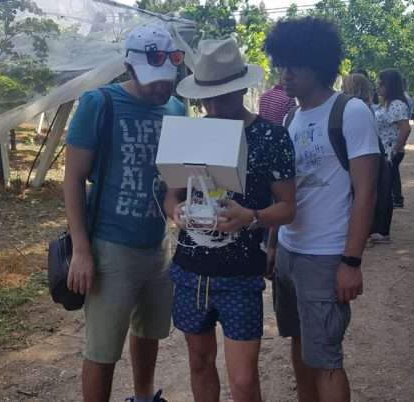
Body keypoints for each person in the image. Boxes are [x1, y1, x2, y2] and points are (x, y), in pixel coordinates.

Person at [164, 38, 297, 402]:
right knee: (199, 363)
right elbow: (171, 194)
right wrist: (175, 211)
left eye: (222, 97)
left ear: (240, 88)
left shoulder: (271, 137)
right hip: (191, 271)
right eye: (206, 99)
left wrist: (251, 217)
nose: (213, 107)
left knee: (243, 379)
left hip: (241, 275)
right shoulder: (191, 133)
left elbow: (288, 207)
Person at [63, 25, 185, 402]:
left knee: (149, 331)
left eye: (167, 77)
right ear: (130, 68)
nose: (162, 86)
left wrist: (182, 208)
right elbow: (73, 179)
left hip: (157, 245)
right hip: (109, 247)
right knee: (103, 349)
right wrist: (81, 250)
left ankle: (144, 397)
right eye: (153, 78)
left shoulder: (177, 109)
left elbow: (174, 181)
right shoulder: (99, 103)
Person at [263, 17, 380, 402]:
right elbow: (285, 192)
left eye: (295, 65)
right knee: (299, 345)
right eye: (282, 64)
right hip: (289, 253)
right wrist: (273, 245)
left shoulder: (351, 112)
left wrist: (351, 261)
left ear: (319, 64)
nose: (286, 74)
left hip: (326, 257)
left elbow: (366, 192)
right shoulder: (290, 118)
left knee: (326, 358)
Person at [372, 69, 411, 243]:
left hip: (389, 154)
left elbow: (405, 128)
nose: (377, 87)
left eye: (380, 84)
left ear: (389, 85)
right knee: (380, 190)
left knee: (385, 192)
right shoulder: (385, 104)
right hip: (382, 152)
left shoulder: (397, 105)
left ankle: (383, 232)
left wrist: (395, 150)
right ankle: (377, 228)